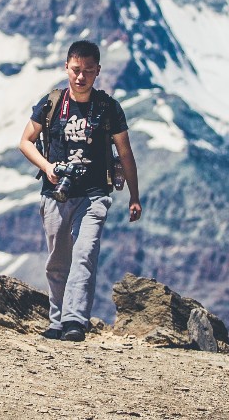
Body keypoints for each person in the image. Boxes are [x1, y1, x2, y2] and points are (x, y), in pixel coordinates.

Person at [17, 39, 141, 341]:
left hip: (95, 194)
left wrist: (134, 197)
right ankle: (56, 321)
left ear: (97, 71)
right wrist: (48, 167)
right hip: (55, 194)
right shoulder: (51, 104)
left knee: (85, 255)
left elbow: (125, 153)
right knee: (58, 261)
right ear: (66, 67)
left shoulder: (108, 109)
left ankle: (75, 322)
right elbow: (25, 141)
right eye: (75, 69)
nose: (80, 76)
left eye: (87, 70)